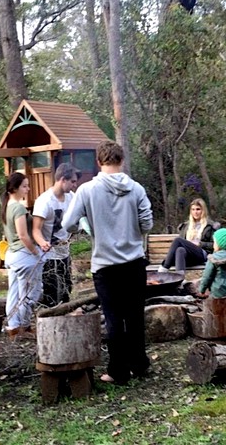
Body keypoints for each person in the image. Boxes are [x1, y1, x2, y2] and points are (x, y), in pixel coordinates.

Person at [62, 140, 153, 385]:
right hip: (134, 262)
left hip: (104, 265)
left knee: (113, 319)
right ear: (121, 161)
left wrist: (86, 224)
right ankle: (139, 364)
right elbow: (147, 224)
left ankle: (118, 371)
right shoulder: (136, 189)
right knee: (134, 317)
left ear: (99, 162)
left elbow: (67, 223)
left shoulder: (86, 190)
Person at [0, 172, 45, 337]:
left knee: (14, 292)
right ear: (15, 188)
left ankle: (13, 326)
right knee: (30, 293)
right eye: (24, 186)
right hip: (23, 255)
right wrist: (35, 252)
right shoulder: (18, 208)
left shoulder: (7, 206)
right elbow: (23, 235)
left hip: (12, 255)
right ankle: (24, 325)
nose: (28, 189)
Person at [33, 163, 80, 307]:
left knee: (66, 290)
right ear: (62, 180)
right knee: (52, 293)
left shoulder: (71, 197)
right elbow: (36, 230)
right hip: (49, 255)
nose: (74, 185)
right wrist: (42, 243)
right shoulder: (45, 201)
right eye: (72, 181)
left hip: (64, 253)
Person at [157, 198, 217, 274]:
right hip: (189, 256)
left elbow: (215, 245)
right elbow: (180, 245)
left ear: (203, 210)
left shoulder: (210, 225)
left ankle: (163, 268)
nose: (195, 212)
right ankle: (180, 278)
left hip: (202, 254)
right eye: (193, 209)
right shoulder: (185, 226)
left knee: (178, 240)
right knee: (180, 250)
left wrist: (200, 244)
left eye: (198, 209)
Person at [198, 227, 226, 298]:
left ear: (220, 244)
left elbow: (207, 277)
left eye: (215, 242)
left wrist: (201, 290)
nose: (213, 245)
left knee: (214, 304)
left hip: (218, 291)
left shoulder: (213, 258)